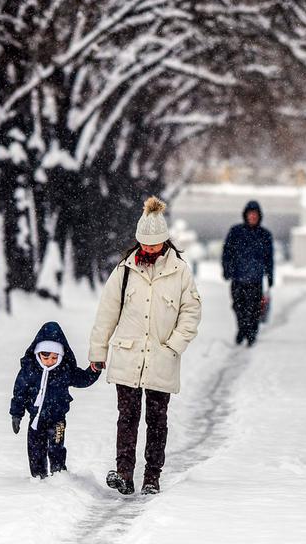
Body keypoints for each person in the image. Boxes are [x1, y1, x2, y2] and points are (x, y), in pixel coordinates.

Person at [88, 196, 202, 495]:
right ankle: (124, 473)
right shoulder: (124, 271)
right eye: (145, 245)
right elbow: (106, 314)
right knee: (126, 419)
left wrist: (174, 345)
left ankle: (152, 476)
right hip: (127, 356)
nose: (150, 250)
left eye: (155, 245)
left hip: (162, 358)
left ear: (165, 241)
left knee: (157, 421)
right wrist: (98, 353)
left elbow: (191, 312)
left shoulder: (180, 273)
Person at [10, 321, 101, 479]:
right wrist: (16, 414)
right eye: (46, 357)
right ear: (37, 353)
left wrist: (94, 370)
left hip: (57, 420)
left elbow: (83, 379)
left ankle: (59, 475)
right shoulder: (29, 371)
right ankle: (38, 477)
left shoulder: (64, 371)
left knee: (56, 447)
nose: (50, 361)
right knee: (35, 449)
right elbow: (19, 393)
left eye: (54, 357)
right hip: (35, 421)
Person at [221, 201, 274, 346]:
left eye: (255, 214)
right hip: (237, 278)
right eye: (250, 214)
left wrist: (270, 276)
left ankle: (252, 332)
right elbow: (227, 253)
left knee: (254, 308)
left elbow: (269, 258)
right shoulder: (235, 232)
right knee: (238, 306)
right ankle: (242, 329)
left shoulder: (264, 235)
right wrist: (226, 269)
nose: (252, 217)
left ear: (259, 216)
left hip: (255, 279)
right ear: (245, 215)